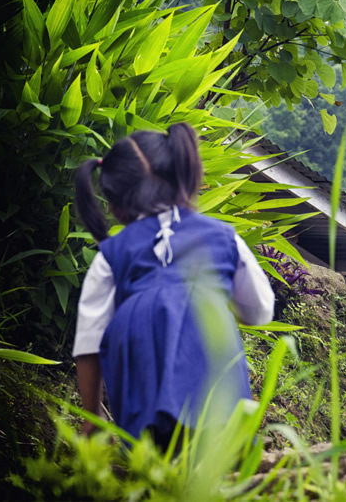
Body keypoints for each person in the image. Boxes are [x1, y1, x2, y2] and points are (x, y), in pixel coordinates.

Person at [72, 123, 274, 448]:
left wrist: (91, 420)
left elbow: (89, 343)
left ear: (116, 203)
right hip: (211, 354)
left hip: (137, 345)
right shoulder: (224, 237)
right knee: (219, 454)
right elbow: (261, 311)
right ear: (181, 175)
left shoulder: (111, 254)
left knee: (149, 454)